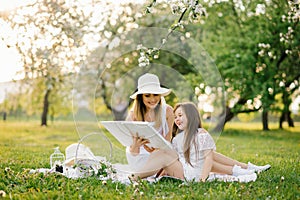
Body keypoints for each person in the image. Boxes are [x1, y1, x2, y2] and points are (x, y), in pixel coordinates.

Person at [131, 102, 271, 182]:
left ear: (191, 117)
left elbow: (209, 159)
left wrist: (203, 180)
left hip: (192, 175)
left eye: (180, 115)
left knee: (206, 154)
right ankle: (242, 169)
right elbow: (173, 157)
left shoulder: (201, 134)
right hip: (187, 170)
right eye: (175, 117)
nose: (177, 119)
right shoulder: (178, 138)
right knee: (162, 153)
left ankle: (135, 177)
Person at [125, 73, 174, 172]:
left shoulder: (168, 111)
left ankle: (154, 170)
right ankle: (143, 172)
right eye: (147, 96)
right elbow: (131, 148)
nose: (152, 99)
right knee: (138, 164)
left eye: (156, 95)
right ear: (141, 97)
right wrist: (136, 146)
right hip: (139, 153)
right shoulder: (133, 114)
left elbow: (167, 141)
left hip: (160, 153)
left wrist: (156, 151)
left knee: (166, 159)